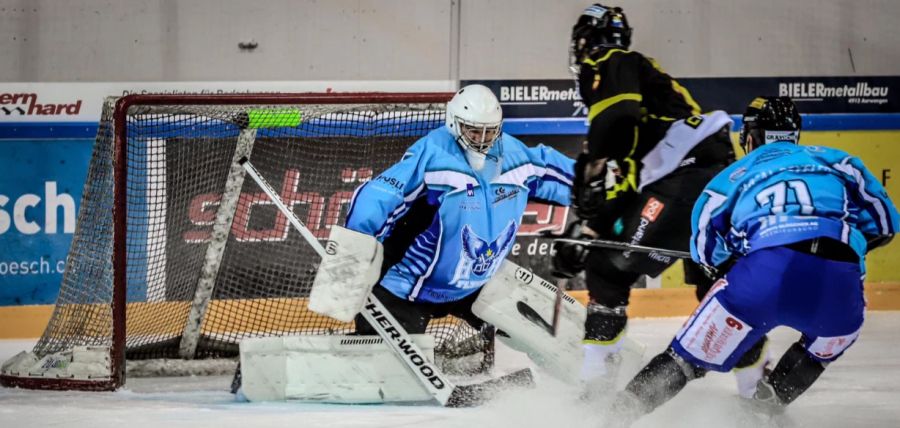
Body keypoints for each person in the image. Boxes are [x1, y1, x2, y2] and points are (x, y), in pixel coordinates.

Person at [608, 96, 899, 425]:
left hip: (763, 277)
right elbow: (887, 224)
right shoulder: (840, 162)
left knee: (683, 361)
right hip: (841, 292)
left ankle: (611, 417)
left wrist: (739, 257)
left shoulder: (733, 175)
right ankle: (762, 411)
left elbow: (705, 250)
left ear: (750, 137)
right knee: (818, 353)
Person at [552, 3, 769, 394]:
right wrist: (590, 227)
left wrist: (591, 166)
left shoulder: (612, 59)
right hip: (712, 181)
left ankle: (595, 383)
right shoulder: (652, 104)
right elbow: (632, 184)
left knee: (606, 266)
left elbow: (616, 122)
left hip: (686, 178)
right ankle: (757, 393)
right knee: (717, 288)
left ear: (586, 41)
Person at [345, 84, 575, 341]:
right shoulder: (433, 155)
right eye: (474, 131)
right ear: (455, 123)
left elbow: (566, 176)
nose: (482, 140)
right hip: (408, 289)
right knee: (383, 368)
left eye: (490, 132)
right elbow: (377, 197)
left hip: (474, 289)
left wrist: (602, 189)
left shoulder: (517, 157)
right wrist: (354, 250)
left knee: (542, 334)